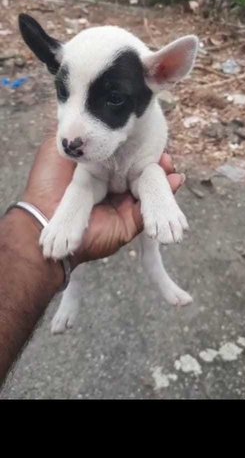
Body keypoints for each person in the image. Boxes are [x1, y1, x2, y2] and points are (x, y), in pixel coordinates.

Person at [0, 134, 185, 386]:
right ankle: (71, 292)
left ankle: (156, 271)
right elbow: (86, 180)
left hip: (133, 186)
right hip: (92, 180)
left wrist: (153, 182)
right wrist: (39, 220)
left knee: (150, 233)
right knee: (69, 239)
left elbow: (145, 172)